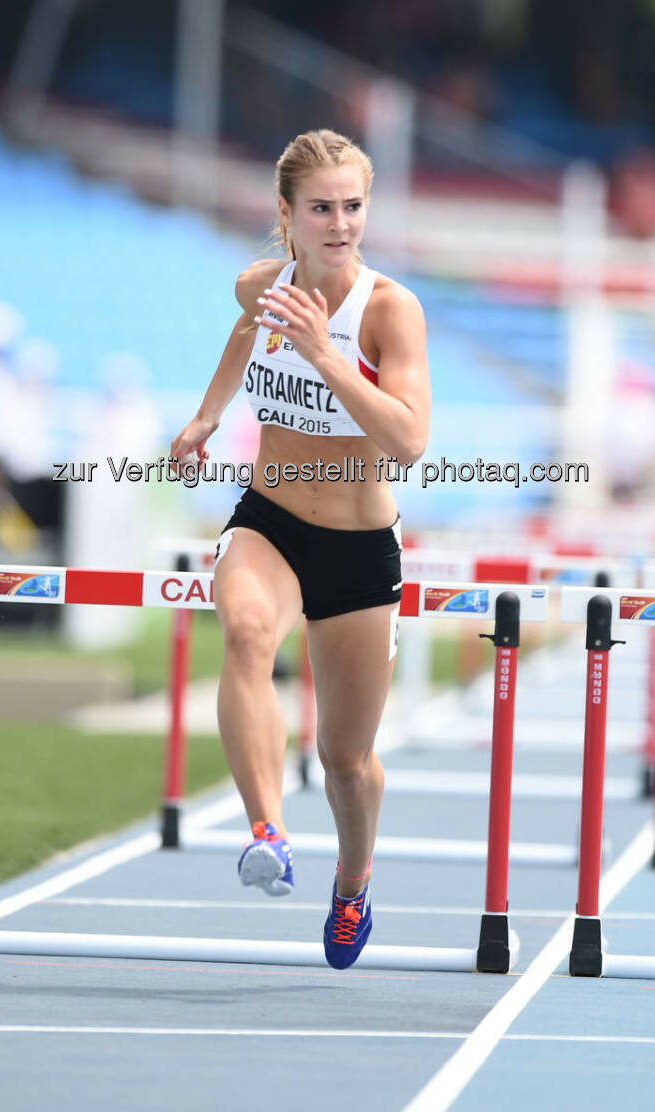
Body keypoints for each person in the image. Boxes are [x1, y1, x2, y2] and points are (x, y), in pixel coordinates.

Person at [168, 129, 430, 968]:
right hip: (270, 518)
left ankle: (352, 885)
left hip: (357, 547)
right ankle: (267, 832)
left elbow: (411, 441)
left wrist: (326, 354)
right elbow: (245, 331)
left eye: (353, 206)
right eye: (322, 208)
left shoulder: (388, 310)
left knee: (346, 760)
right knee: (245, 635)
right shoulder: (261, 283)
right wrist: (209, 415)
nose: (341, 223)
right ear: (286, 216)